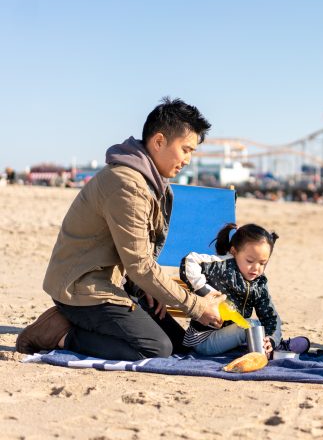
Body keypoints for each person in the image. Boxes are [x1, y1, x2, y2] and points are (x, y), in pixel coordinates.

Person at [16, 98, 225, 360]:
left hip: (113, 283)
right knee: (155, 349)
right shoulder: (127, 184)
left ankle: (80, 322)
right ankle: (59, 332)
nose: (188, 160)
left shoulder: (151, 182)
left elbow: (137, 258)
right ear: (159, 141)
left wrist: (150, 288)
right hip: (82, 287)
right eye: (185, 149)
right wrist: (197, 306)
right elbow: (139, 263)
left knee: (180, 344)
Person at [179, 222, 309, 357]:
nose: (256, 268)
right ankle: (272, 353)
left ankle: (272, 346)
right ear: (234, 252)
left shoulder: (258, 283)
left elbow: (270, 317)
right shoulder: (221, 266)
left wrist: (271, 339)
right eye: (250, 261)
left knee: (262, 326)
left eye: (262, 263)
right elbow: (189, 260)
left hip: (232, 337)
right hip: (202, 340)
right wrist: (205, 290)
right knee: (252, 325)